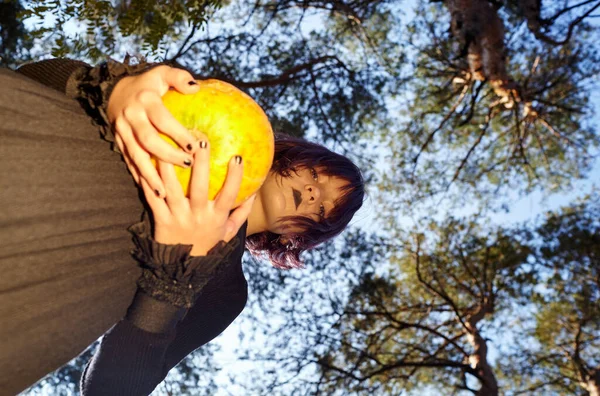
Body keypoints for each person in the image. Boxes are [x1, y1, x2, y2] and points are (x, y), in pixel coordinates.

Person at [0, 58, 364, 395]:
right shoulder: (190, 125)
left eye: (323, 210)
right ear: (294, 156)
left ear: (295, 237)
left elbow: (110, 390)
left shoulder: (226, 294)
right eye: (317, 173)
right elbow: (32, 76)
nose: (315, 192)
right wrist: (114, 92)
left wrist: (173, 279)